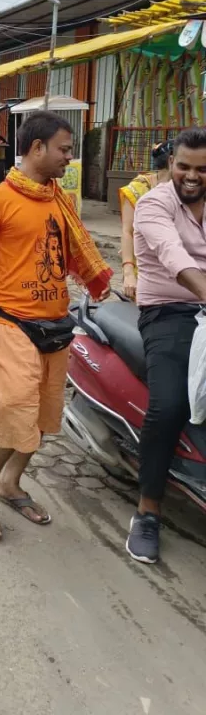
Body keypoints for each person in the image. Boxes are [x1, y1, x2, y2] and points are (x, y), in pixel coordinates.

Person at [0, 112, 111, 541]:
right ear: (37, 149)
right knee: (16, 406)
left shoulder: (59, 201)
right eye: (64, 150)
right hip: (10, 321)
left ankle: (13, 481)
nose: (69, 158)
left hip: (55, 323)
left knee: (43, 416)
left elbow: (76, 252)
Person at [125, 129, 206, 564]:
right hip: (169, 311)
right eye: (184, 166)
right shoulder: (154, 203)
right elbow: (175, 259)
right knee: (170, 404)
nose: (192, 176)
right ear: (171, 163)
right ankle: (148, 511)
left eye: (202, 169)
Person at [118, 141, 172, 302]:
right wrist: (128, 274)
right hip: (144, 270)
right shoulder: (138, 189)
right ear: (172, 162)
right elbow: (128, 232)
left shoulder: (190, 190)